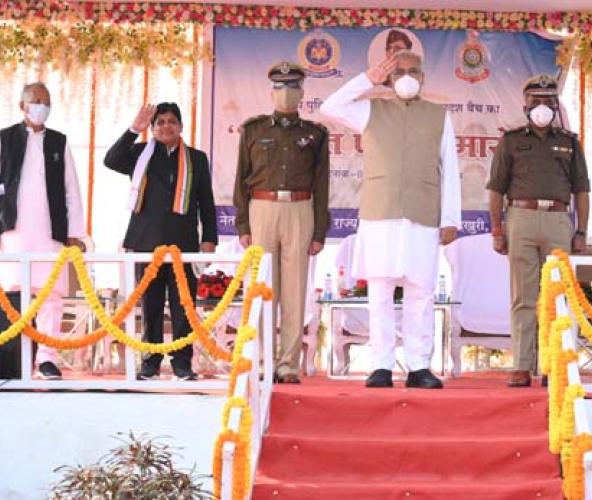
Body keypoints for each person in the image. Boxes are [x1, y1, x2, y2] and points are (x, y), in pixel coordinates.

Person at [321, 50, 461, 389]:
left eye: (414, 71)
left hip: (423, 215)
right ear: (390, 77)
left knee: (420, 293)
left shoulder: (438, 116)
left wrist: (450, 219)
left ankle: (418, 367)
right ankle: (381, 366)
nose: (407, 76)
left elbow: (451, 170)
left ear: (423, 77)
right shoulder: (370, 109)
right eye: (399, 71)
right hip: (380, 214)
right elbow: (329, 107)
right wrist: (367, 80)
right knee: (379, 293)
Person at [486, 75, 591, 388]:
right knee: (523, 296)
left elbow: (582, 190)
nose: (542, 107)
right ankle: (521, 364)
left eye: (548, 101)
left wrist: (581, 231)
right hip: (520, 218)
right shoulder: (512, 140)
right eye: (536, 101)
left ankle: (553, 364)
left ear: (556, 105)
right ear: (525, 104)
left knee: (557, 298)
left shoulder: (570, 141)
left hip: (559, 221)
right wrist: (496, 229)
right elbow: (496, 189)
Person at [104, 102, 218, 381]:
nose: (166, 126)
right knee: (151, 304)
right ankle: (150, 362)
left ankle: (182, 363)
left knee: (184, 305)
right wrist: (134, 129)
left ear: (181, 126)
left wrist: (210, 239)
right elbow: (111, 160)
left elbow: (206, 201)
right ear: (153, 128)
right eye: (160, 123)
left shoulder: (196, 158)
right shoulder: (140, 153)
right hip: (147, 242)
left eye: (171, 121)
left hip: (183, 242)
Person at [234, 61, 329, 384]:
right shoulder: (253, 129)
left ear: (302, 92)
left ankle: (288, 364)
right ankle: (261, 361)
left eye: (292, 87)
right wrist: (243, 225)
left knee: (295, 290)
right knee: (262, 289)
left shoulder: (315, 134)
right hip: (262, 206)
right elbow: (240, 181)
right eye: (279, 87)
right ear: (271, 91)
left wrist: (319, 231)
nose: (286, 93)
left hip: (301, 208)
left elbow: (322, 184)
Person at [0, 82, 86, 380]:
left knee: (52, 296)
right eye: (36, 101)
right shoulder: (4, 139)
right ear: (22, 105)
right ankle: (13, 359)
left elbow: (71, 190)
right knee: (14, 295)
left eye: (46, 101)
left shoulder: (58, 142)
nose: (42, 106)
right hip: (13, 233)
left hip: (51, 233)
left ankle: (47, 358)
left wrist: (76, 232)